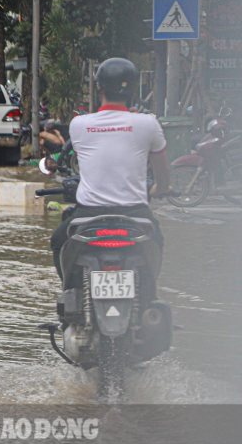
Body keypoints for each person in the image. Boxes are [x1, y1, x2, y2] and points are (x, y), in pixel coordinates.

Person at [49, 57, 172, 282]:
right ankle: (148, 295)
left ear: (99, 88)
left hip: (89, 214)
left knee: (58, 241)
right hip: (135, 213)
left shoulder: (79, 125)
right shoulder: (148, 123)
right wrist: (159, 189)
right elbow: (163, 174)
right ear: (134, 89)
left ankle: (69, 295)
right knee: (157, 241)